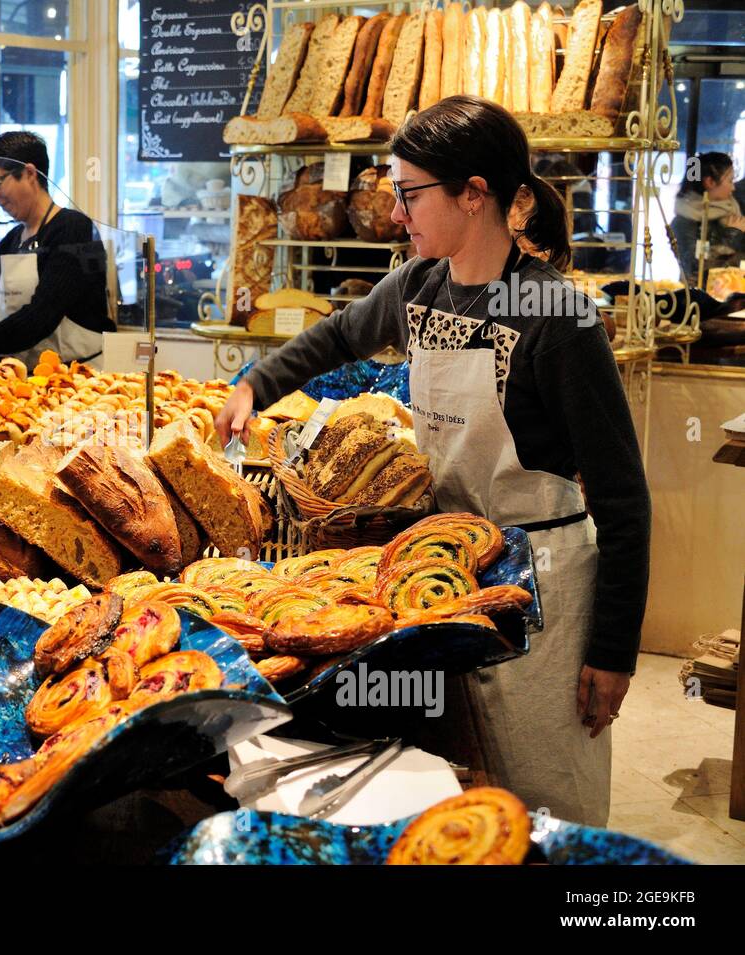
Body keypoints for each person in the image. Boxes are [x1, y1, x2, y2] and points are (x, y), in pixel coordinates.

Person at [215, 95, 651, 828]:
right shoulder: (422, 286)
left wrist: (614, 651)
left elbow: (623, 499)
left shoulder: (559, 317)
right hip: (446, 575)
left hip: (544, 593)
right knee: (460, 792)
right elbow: (338, 337)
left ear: (474, 194)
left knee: (541, 800)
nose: (394, 214)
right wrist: (255, 384)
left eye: (409, 194)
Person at [0, 131, 113, 367]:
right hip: (23, 373)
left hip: (76, 376)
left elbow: (42, 316)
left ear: (29, 173)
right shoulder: (11, 240)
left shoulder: (73, 228)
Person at [670, 152, 745, 287]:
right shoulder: (684, 222)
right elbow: (695, 269)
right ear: (710, 182)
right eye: (729, 181)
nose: (733, 187)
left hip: (734, 295)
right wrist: (732, 235)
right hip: (699, 302)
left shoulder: (732, 210)